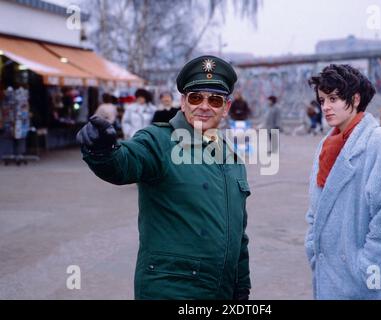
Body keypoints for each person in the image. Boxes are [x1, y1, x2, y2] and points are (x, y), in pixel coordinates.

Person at [76, 55, 251, 300]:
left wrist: (242, 288)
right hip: (170, 291)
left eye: (214, 99)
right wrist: (102, 150)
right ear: (183, 102)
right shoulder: (157, 140)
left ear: (226, 108)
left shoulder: (233, 159)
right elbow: (124, 163)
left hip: (222, 292)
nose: (204, 105)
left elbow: (239, 236)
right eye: (195, 97)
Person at [305, 64, 381, 299]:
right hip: (333, 281)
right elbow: (315, 212)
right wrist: (314, 251)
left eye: (334, 98)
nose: (326, 107)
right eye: (322, 100)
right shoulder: (326, 146)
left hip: (372, 288)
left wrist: (367, 271)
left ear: (355, 99)